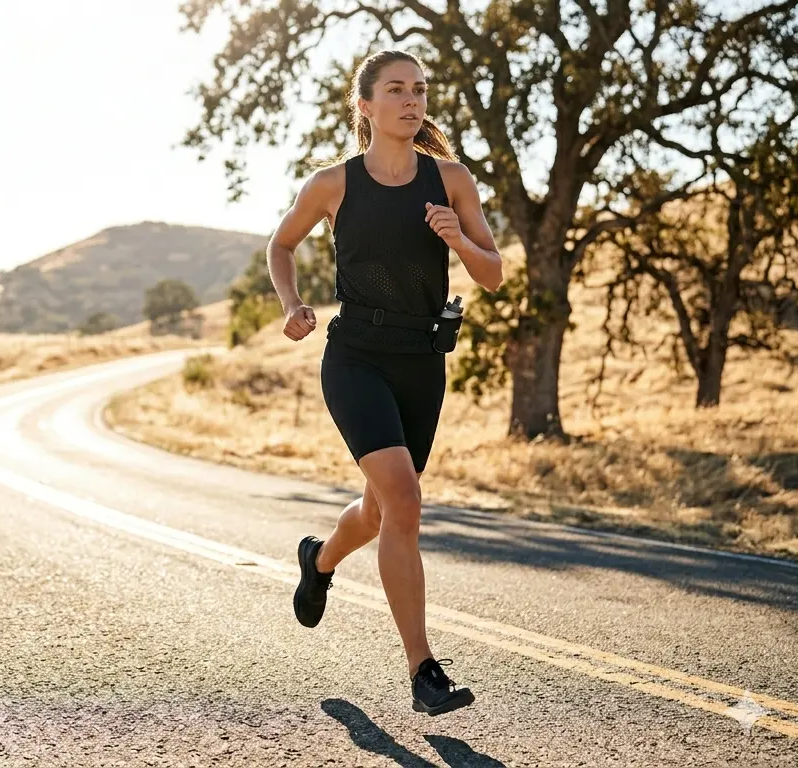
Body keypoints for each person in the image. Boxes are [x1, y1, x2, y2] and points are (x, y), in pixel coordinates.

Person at [265, 49, 504, 716]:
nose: (412, 100)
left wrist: (459, 240)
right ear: (364, 105)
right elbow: (280, 245)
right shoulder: (333, 183)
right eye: (396, 89)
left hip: (422, 364)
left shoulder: (450, 179)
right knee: (405, 498)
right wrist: (292, 307)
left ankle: (319, 561)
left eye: (420, 90)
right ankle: (423, 670)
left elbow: (495, 274)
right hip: (356, 359)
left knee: (382, 510)